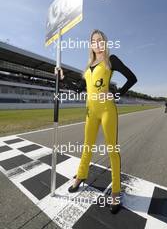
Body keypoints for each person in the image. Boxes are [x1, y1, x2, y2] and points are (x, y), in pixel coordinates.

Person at [55, 29, 137, 214]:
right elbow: (78, 90)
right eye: (94, 41)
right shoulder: (88, 66)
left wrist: (116, 94)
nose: (97, 43)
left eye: (100, 40)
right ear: (91, 45)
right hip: (90, 112)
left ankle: (116, 190)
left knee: (112, 150)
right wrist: (62, 77)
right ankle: (81, 176)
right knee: (87, 146)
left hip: (107, 109)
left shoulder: (111, 60)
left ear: (105, 43)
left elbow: (132, 78)